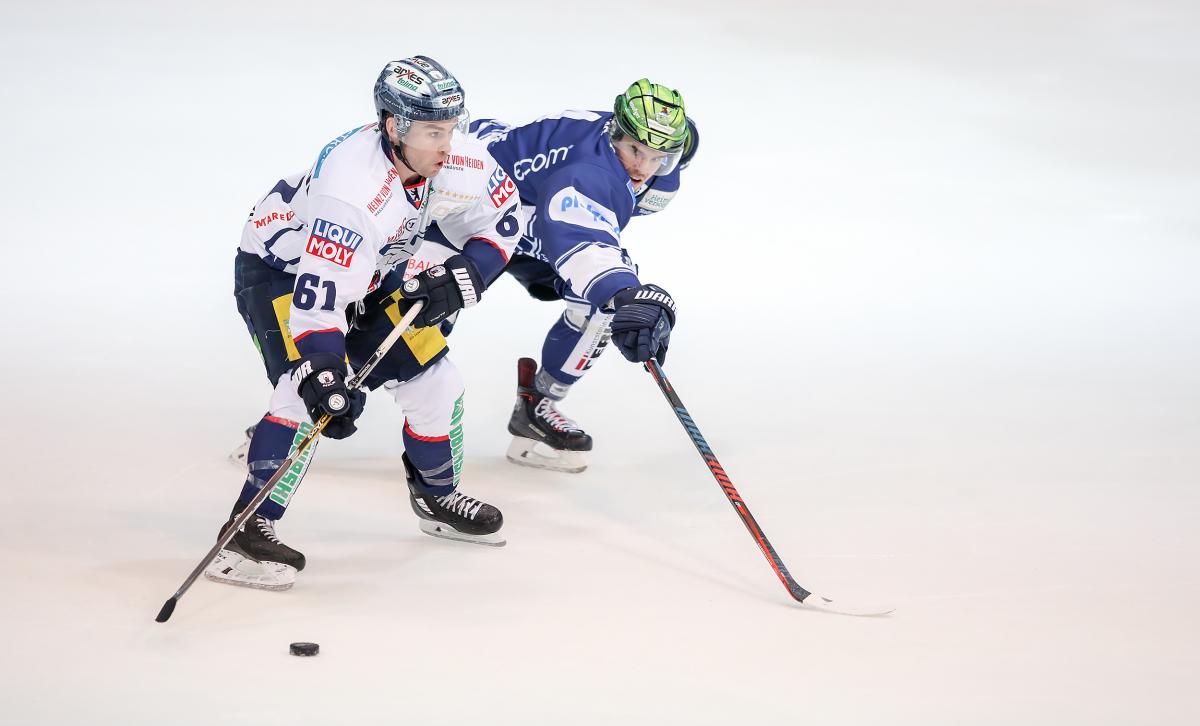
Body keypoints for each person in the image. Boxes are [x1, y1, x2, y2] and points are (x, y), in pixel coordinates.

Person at [210, 56, 523, 590]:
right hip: (283, 270)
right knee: (303, 395)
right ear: (393, 126)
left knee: (437, 382)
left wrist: (468, 273)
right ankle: (245, 528)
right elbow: (318, 305)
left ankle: (435, 495)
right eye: (432, 131)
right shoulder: (351, 192)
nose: (447, 146)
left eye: (451, 128)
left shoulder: (454, 155)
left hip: (374, 272)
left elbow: (505, 216)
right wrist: (328, 371)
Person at [410, 79, 696, 472]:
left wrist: (619, 296)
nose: (642, 168)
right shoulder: (589, 172)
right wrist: (626, 292)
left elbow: (579, 227)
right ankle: (316, 384)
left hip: (531, 206)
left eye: (658, 157)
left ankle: (537, 405)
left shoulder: (654, 163)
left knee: (600, 310)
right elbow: (580, 239)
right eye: (634, 150)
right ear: (616, 130)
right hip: (470, 202)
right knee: (416, 315)